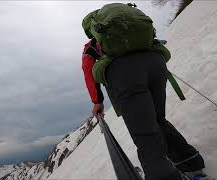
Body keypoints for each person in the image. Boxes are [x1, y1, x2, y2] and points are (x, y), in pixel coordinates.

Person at [81, 7, 206, 180]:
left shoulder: (93, 44)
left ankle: (163, 175)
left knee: (146, 135)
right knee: (158, 121)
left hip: (125, 75)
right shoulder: (129, 29)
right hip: (156, 63)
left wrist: (97, 101)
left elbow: (88, 70)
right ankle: (192, 163)